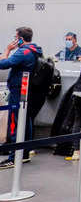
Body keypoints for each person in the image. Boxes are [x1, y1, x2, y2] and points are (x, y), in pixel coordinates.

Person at [0, 27, 43, 169]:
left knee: (14, 122)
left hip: (18, 91)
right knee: (26, 120)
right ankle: (24, 153)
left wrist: (7, 50)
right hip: (25, 90)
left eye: (16, 37)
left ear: (20, 39)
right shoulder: (34, 50)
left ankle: (13, 157)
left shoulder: (23, 51)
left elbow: (3, 64)